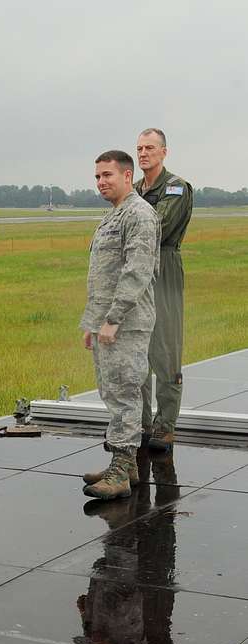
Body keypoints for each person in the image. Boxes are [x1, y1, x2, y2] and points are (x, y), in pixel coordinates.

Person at [80, 150, 160, 501]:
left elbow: (136, 272)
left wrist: (113, 319)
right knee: (111, 391)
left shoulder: (139, 214)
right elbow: (102, 275)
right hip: (107, 322)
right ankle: (127, 466)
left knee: (125, 392)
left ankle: (121, 467)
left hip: (126, 323)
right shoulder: (113, 214)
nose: (101, 182)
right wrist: (93, 323)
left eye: (108, 175)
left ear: (128, 176)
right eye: (97, 176)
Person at [135, 129, 193, 451]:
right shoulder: (133, 190)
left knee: (166, 348)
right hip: (136, 270)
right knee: (138, 349)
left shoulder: (175, 188)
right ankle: (140, 423)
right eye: (140, 148)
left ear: (164, 152)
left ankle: (165, 425)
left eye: (150, 148)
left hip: (164, 266)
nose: (144, 153)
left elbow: (156, 228)